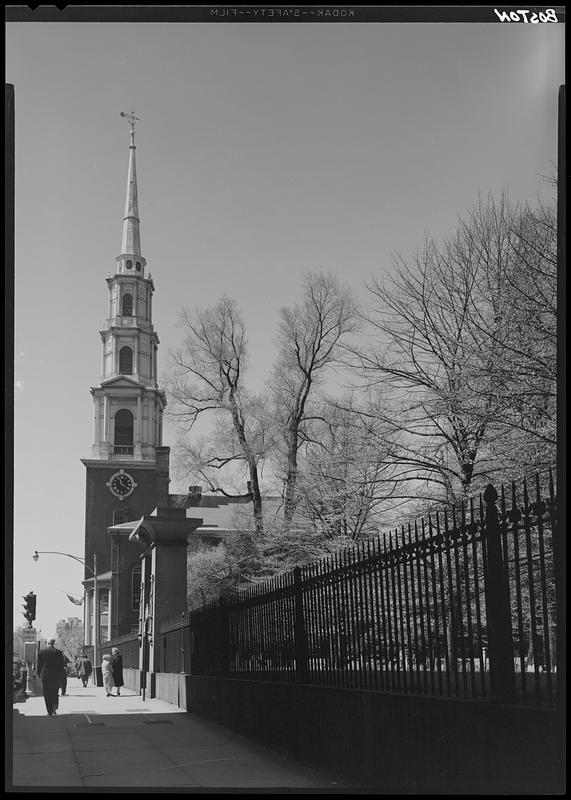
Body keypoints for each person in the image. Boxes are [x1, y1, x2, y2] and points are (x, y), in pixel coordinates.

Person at [37, 638, 66, 716]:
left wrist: (38, 674)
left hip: (45, 675)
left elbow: (39, 665)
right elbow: (61, 665)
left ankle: (49, 710)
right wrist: (61, 675)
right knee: (55, 692)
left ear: (47, 643)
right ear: (54, 643)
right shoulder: (58, 652)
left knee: (46, 693)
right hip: (56, 675)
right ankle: (54, 707)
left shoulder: (42, 652)